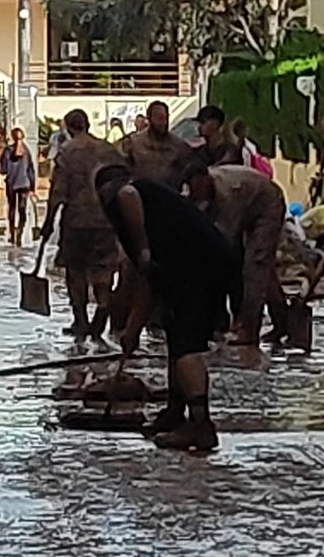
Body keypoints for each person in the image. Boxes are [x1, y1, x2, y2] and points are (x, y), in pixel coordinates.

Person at [95, 164, 237, 451]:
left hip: (197, 267)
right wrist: (133, 329)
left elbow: (127, 194)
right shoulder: (158, 206)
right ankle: (175, 413)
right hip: (203, 262)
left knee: (186, 344)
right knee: (176, 336)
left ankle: (201, 425)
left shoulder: (124, 193)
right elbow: (151, 283)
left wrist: (144, 247)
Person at [184, 163, 287, 346]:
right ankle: (283, 321)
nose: (196, 194)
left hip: (267, 205)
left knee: (255, 265)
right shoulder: (195, 193)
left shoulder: (228, 195)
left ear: (207, 181)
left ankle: (249, 327)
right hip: (249, 203)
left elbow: (225, 245)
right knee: (265, 272)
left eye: (198, 190)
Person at [41, 110, 124, 337]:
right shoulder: (108, 150)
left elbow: (58, 191)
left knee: (75, 271)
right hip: (105, 219)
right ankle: (102, 311)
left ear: (68, 128)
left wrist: (48, 223)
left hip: (76, 221)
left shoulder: (67, 152)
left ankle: (80, 321)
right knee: (104, 268)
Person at [123, 101, 191, 191]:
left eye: (165, 118)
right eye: (159, 118)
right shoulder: (134, 143)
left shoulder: (179, 145)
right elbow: (123, 170)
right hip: (142, 195)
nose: (163, 123)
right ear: (149, 119)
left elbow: (188, 171)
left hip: (170, 195)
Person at [0, 127, 36, 247]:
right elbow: (31, 170)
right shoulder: (27, 151)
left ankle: (12, 234)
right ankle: (20, 233)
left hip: (12, 183)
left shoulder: (7, 151)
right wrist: (33, 187)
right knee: (22, 209)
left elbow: (3, 170)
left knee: (12, 209)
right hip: (25, 184)